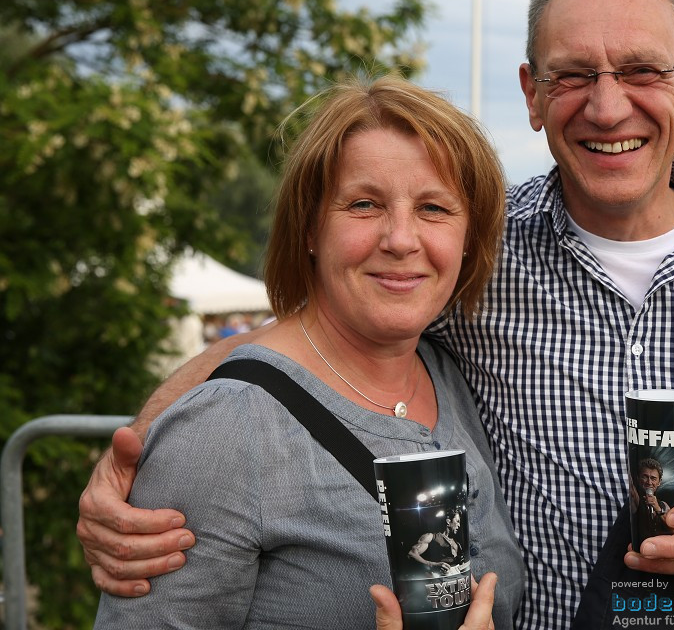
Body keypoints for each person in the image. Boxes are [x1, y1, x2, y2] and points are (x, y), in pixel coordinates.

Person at [78, 0, 674, 628]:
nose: (609, 107)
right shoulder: (471, 251)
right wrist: (138, 461)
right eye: (573, 75)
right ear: (533, 94)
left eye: (643, 69)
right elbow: (293, 350)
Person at [92, 76, 524, 628]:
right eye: (364, 204)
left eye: (434, 208)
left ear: (470, 238)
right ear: (311, 229)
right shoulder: (227, 428)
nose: (400, 238)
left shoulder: (446, 375)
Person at [629, 458, 674, 543]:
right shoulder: (635, 500)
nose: (649, 482)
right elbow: (632, 488)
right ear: (638, 478)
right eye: (645, 477)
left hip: (662, 548)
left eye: (653, 478)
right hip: (641, 549)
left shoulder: (663, 505)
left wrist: (657, 508)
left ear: (659, 482)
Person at [409, 511, 467, 577]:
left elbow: (462, 565)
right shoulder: (431, 537)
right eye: (457, 521)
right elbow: (412, 554)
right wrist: (434, 565)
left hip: (455, 581)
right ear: (448, 522)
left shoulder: (457, 543)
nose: (459, 525)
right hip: (436, 581)